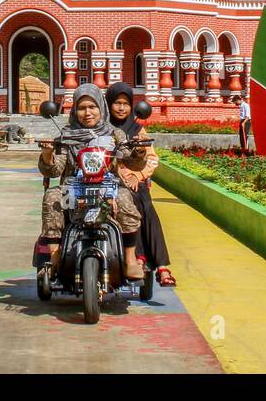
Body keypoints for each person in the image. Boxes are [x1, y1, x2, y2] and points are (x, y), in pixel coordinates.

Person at [36, 84, 146, 279]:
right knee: (51, 195)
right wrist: (47, 154)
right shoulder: (65, 135)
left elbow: (132, 161)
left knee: (125, 197)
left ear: (101, 108)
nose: (87, 113)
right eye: (82, 108)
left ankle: (130, 259)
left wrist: (138, 151)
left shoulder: (114, 134)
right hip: (73, 187)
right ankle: (55, 256)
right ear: (75, 110)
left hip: (107, 186)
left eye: (92, 107)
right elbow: (55, 170)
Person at [107, 82, 175, 287]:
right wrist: (124, 174)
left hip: (136, 181)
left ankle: (159, 264)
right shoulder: (102, 128)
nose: (121, 108)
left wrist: (138, 176)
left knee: (146, 204)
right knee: (134, 200)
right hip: (112, 181)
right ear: (108, 104)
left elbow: (152, 159)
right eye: (116, 103)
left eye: (125, 104)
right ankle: (141, 257)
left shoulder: (138, 129)